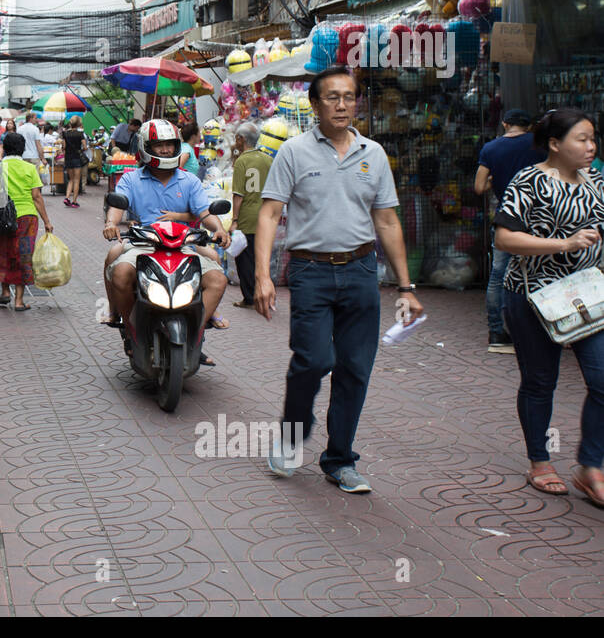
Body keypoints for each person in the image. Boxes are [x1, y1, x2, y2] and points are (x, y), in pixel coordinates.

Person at [254, 68, 422, 494]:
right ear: (315, 104)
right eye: (333, 97)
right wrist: (263, 277)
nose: (343, 104)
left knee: (355, 367)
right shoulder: (293, 152)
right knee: (312, 360)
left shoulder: (374, 153)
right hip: (310, 271)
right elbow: (270, 214)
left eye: (349, 97)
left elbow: (386, 220)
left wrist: (406, 286)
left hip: (362, 272)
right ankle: (293, 436)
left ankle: (340, 459)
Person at [494, 107, 604, 505]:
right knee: (541, 382)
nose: (591, 147)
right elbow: (506, 239)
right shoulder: (530, 181)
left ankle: (591, 465)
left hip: (588, 298)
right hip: (534, 297)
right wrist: (565, 244)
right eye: (582, 139)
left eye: (593, 139)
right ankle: (539, 461)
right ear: (555, 144)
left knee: (602, 379)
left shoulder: (596, 182)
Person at [102, 119, 229, 363]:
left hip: (183, 244)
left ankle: (195, 337)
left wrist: (220, 229)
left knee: (217, 279)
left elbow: (205, 213)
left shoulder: (189, 180)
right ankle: (131, 330)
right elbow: (118, 206)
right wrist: (110, 224)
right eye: (158, 145)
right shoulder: (130, 179)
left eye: (169, 145)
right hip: (143, 242)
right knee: (119, 273)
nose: (165, 150)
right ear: (145, 146)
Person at [476, 108, 545, 353]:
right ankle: (545, 327)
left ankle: (496, 331)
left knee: (498, 275)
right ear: (528, 125)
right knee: (541, 270)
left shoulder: (490, 149)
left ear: (505, 124)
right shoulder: (539, 144)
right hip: (538, 217)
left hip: (506, 216)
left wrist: (496, 180)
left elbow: (478, 186)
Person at [0, 132, 54, 309]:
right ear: (23, 148)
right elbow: (36, 197)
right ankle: (19, 300)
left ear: (5, 148)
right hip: (27, 217)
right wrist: (47, 221)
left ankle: (4, 293)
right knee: (23, 256)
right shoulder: (29, 168)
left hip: (3, 217)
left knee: (3, 253)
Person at [229, 122, 269, 309]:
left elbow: (238, 194)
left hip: (247, 216)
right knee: (261, 257)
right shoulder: (268, 159)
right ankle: (263, 293)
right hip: (266, 216)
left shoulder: (242, 161)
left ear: (242, 139)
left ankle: (249, 297)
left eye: (237, 138)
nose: (236, 142)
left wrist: (234, 220)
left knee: (245, 259)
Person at [61, 117, 89, 208]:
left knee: (71, 179)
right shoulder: (80, 134)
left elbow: (64, 147)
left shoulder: (65, 134)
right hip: (77, 158)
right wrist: (82, 149)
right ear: (78, 124)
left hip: (68, 158)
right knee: (77, 180)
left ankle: (67, 197)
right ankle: (74, 201)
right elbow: (85, 147)